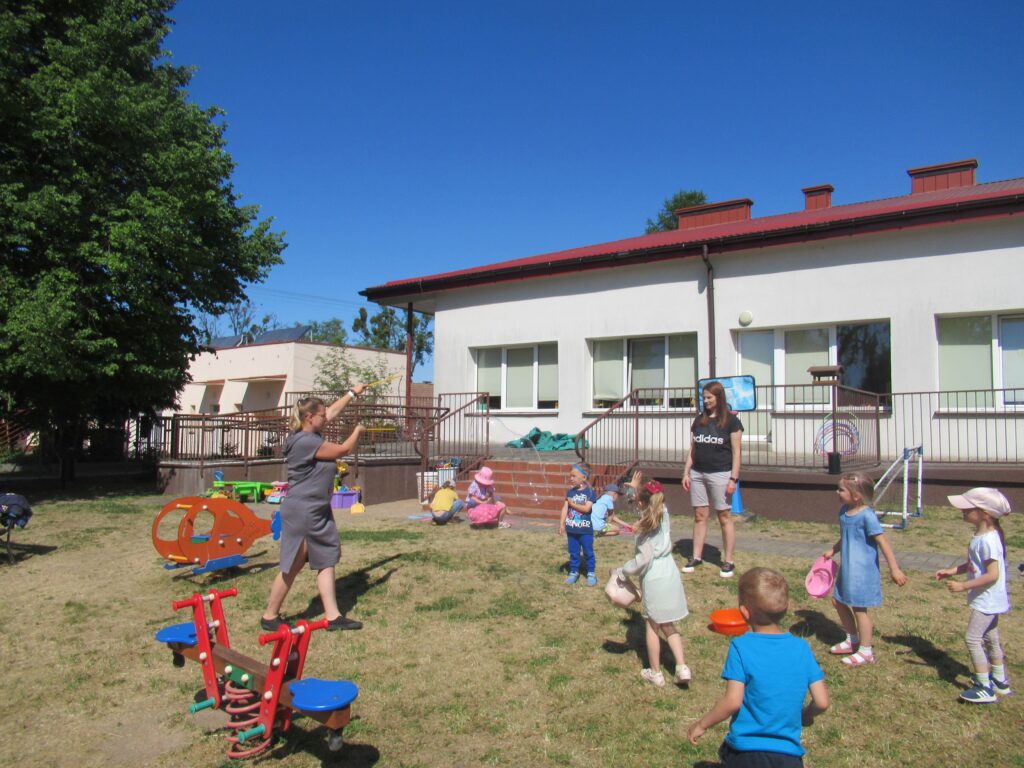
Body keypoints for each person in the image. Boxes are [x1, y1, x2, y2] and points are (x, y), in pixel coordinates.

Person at [688, 568, 829, 767]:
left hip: (746, 753)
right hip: (788, 756)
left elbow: (732, 701)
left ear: (744, 611)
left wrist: (701, 724)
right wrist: (805, 716)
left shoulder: (741, 647)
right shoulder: (801, 648)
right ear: (788, 606)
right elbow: (822, 702)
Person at [261, 386, 367, 632]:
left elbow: (330, 411)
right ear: (310, 418)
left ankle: (332, 616)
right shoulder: (306, 442)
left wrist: (353, 393)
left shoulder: (308, 433)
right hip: (304, 510)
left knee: (325, 557)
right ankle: (269, 616)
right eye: (321, 416)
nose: (326, 418)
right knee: (294, 564)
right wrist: (358, 431)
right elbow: (343, 450)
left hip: (316, 510)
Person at [821, 471, 907, 666]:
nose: (837, 492)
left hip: (863, 572)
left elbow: (882, 542)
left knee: (860, 609)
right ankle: (852, 639)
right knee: (838, 601)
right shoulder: (844, 512)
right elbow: (846, 536)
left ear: (856, 495)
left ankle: (866, 650)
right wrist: (833, 550)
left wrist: (894, 569)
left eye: (841, 490)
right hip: (848, 568)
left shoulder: (867, 516)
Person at [935, 487, 1013, 704]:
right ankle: (999, 680)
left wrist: (964, 586)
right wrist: (954, 570)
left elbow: (992, 575)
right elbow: (975, 564)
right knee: (990, 637)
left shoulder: (988, 540)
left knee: (972, 638)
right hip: (990, 599)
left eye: (967, 508)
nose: (961, 510)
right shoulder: (983, 535)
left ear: (984, 513)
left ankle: (983, 687)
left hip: (987, 600)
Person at [618, 479, 690, 686]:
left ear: (641, 503)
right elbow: (649, 503)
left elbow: (643, 561)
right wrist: (635, 490)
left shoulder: (646, 533)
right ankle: (682, 667)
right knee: (669, 624)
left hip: (654, 576)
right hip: (670, 572)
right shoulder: (663, 514)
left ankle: (656, 673)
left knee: (652, 625)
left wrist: (624, 571)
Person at [682, 380, 743, 578]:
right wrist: (686, 472)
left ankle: (728, 560)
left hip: (721, 474)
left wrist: (733, 479)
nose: (705, 401)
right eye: (704, 397)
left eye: (709, 397)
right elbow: (693, 449)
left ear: (718, 398)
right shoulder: (699, 420)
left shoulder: (732, 422)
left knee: (724, 517)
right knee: (700, 516)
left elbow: (736, 452)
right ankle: (696, 557)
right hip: (698, 473)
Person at [559, 462, 598, 585]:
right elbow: (565, 508)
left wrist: (572, 504)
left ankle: (591, 573)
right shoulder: (570, 492)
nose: (571, 478)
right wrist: (561, 524)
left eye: (574, 476)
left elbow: (587, 509)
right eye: (570, 476)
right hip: (572, 529)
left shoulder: (590, 493)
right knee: (573, 552)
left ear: (584, 478)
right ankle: (574, 572)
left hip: (585, 530)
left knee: (588, 552)